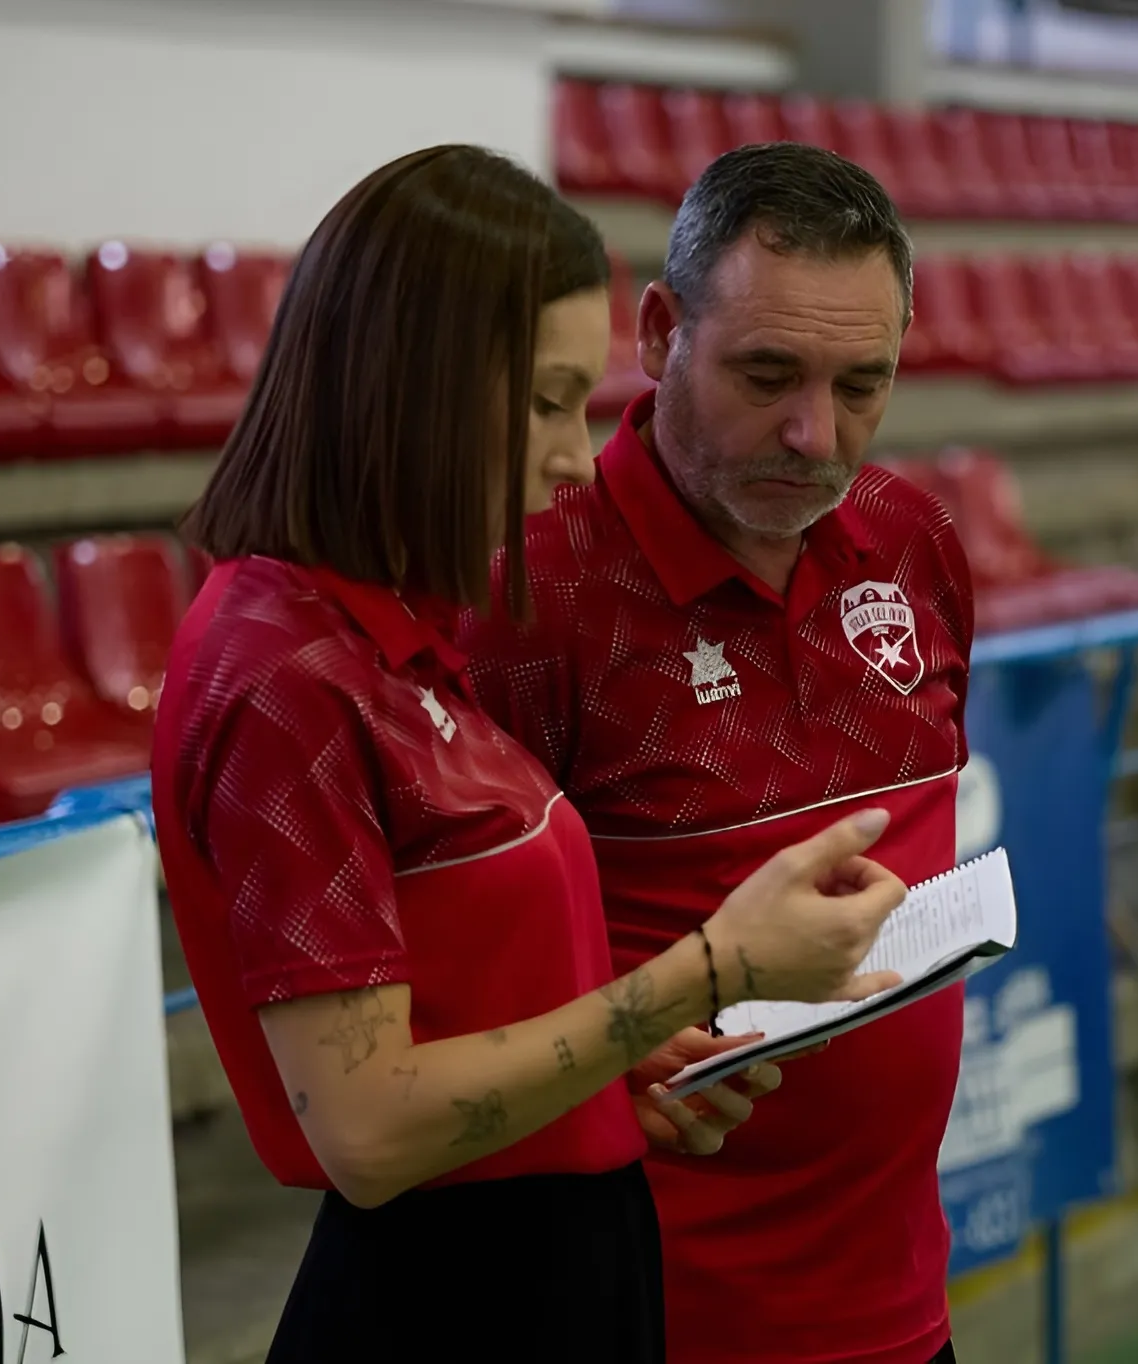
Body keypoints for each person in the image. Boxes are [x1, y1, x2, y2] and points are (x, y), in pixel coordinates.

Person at [150, 144, 917, 1364]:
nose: (574, 451)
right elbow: (367, 1127)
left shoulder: (383, 637)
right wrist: (704, 972)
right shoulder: (287, 670)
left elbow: (470, 1005)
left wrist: (619, 1064)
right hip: (450, 1299)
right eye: (548, 400)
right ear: (418, 385)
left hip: (550, 1275)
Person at [460, 142, 977, 1364]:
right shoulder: (531, 596)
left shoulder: (916, 540)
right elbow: (461, 1008)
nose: (814, 432)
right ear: (657, 329)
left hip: (903, 1308)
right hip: (650, 1319)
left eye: (864, 383)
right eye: (766, 373)